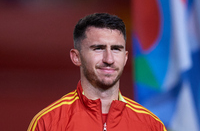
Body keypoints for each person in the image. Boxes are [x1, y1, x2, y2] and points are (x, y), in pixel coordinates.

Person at [27, 13, 167, 131]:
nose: (109, 59)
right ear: (77, 57)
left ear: (125, 58)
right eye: (98, 48)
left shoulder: (151, 125)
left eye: (116, 49)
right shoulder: (48, 123)